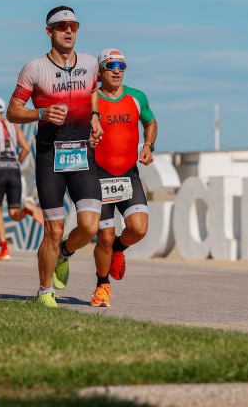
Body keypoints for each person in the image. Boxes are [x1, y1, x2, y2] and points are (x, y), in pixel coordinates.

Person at [7, 5, 103, 307]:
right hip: (50, 155)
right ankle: (45, 291)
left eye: (73, 25)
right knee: (53, 228)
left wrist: (95, 117)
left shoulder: (89, 63)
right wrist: (40, 113)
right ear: (49, 31)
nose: (68, 30)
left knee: (89, 226)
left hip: (83, 154)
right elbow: (12, 112)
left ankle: (64, 253)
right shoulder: (34, 68)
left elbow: (93, 91)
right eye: (61, 26)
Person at [90, 49, 157, 307]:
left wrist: (148, 145)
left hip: (128, 174)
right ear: (100, 71)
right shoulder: (91, 99)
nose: (117, 71)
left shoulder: (136, 97)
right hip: (98, 175)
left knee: (139, 229)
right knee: (104, 237)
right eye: (111, 66)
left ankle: (119, 248)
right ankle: (102, 286)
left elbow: (150, 122)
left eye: (121, 66)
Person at [0, 96, 43, 261]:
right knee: (13, 212)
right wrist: (17, 162)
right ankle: (27, 210)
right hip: (14, 169)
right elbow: (26, 148)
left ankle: (4, 250)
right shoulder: (14, 125)